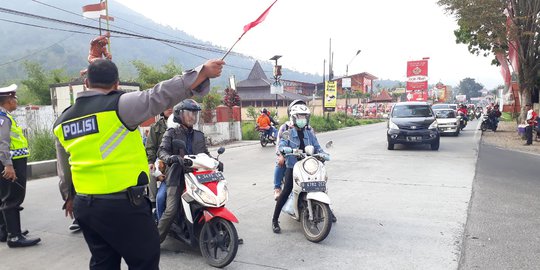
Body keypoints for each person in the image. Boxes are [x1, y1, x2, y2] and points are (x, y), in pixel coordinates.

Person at [54, 58, 223, 269]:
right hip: (123, 206)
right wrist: (203, 72)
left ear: (86, 83)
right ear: (116, 84)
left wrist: (68, 196)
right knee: (145, 261)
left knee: (102, 262)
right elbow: (161, 93)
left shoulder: (63, 120)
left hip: (85, 207)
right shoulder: (120, 106)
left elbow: (64, 167)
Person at [156, 99, 214, 242]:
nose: (193, 117)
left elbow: (205, 154)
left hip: (197, 175)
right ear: (179, 115)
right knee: (171, 209)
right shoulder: (171, 133)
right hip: (177, 176)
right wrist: (170, 158)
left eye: (195, 114)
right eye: (189, 113)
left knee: (212, 200)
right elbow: (161, 151)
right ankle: (155, 241)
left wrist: (215, 162)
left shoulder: (199, 135)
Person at [271, 102, 330, 233]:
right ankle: (275, 220)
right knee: (286, 191)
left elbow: (317, 146)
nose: (302, 119)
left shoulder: (309, 132)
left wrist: (324, 154)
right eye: (299, 116)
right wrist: (285, 150)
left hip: (309, 165)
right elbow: (281, 144)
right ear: (293, 117)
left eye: (304, 116)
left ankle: (327, 211)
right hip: (293, 165)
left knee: (320, 184)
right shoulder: (287, 131)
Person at [0, 84, 41, 248]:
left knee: (4, 196)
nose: (17, 101)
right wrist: (8, 165)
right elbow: (2, 143)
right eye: (15, 98)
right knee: (13, 197)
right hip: (12, 162)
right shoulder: (3, 118)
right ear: (9, 100)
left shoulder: (4, 116)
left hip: (8, 161)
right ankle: (15, 236)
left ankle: (6, 231)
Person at [145, 108, 173, 210]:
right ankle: (153, 204)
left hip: (177, 161)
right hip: (161, 162)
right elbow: (151, 147)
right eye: (167, 106)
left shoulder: (180, 125)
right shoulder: (155, 127)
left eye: (172, 105)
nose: (170, 108)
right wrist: (151, 162)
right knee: (150, 171)